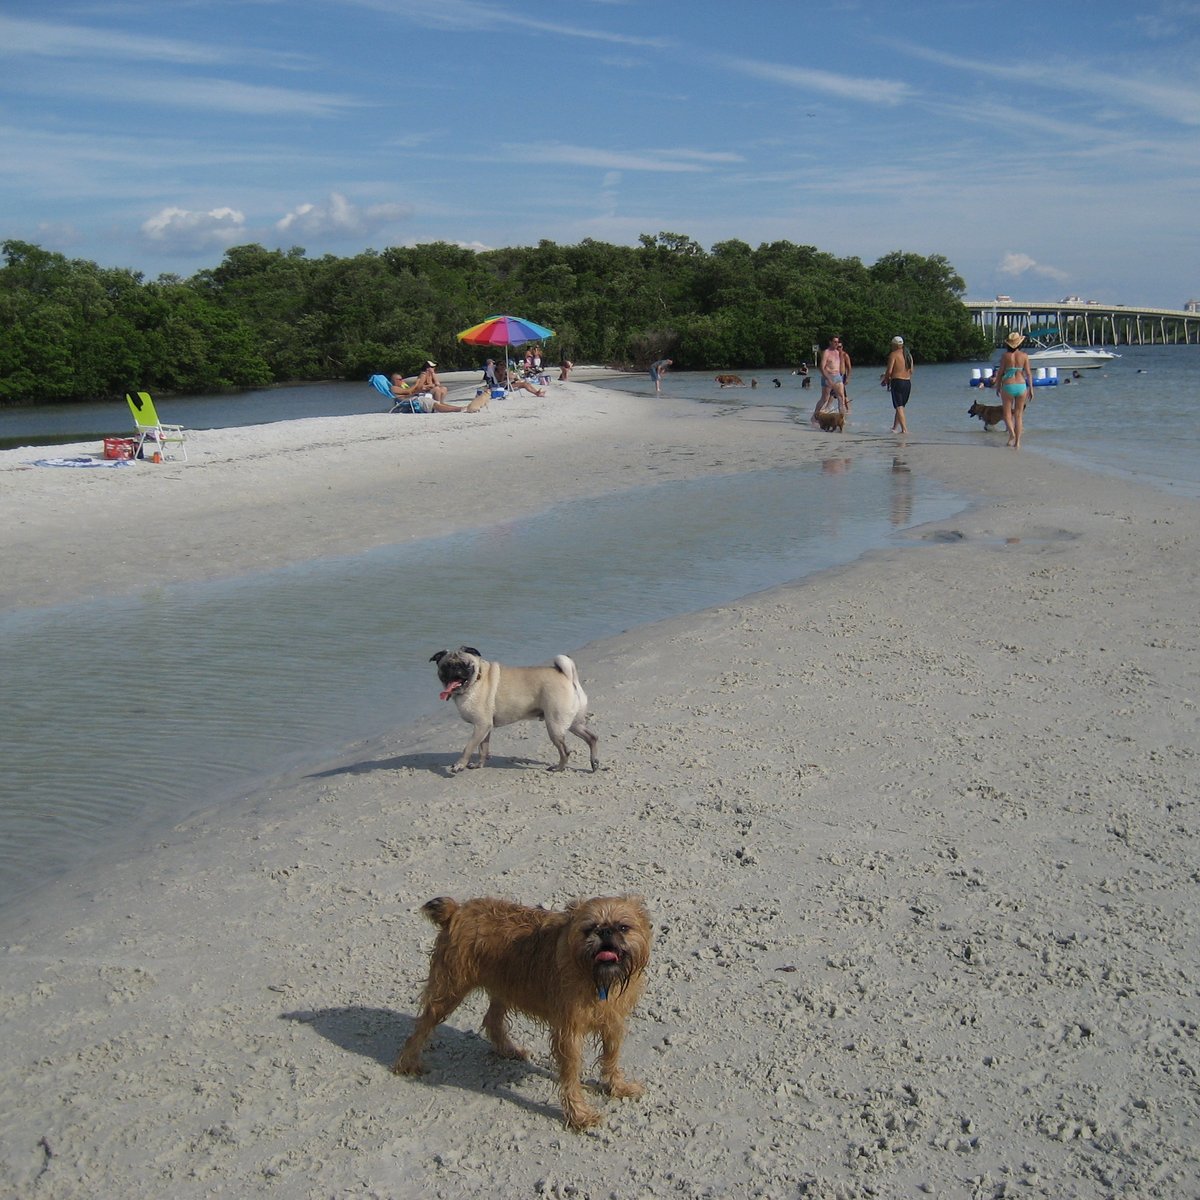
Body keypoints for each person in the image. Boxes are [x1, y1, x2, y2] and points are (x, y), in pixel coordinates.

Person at [995, 331, 1032, 448]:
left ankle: (1011, 434)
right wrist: (1031, 388)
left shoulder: (1005, 356)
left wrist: (997, 386)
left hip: (1008, 385)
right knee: (1019, 415)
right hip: (1021, 385)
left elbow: (1000, 372)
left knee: (1007, 414)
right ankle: (1018, 443)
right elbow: (1029, 374)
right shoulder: (1024, 356)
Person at [392, 369, 486, 413]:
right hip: (410, 401)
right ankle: (459, 409)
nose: (402, 380)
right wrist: (417, 383)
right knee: (435, 404)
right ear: (395, 381)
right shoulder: (393, 388)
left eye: (402, 379)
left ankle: (462, 408)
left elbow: (411, 391)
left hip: (414, 398)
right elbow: (409, 392)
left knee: (438, 403)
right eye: (400, 379)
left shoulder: (402, 386)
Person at [881, 335, 914, 434]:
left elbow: (889, 371)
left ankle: (904, 429)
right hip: (907, 382)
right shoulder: (908, 355)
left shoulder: (893, 354)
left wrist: (885, 380)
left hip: (898, 382)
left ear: (895, 345)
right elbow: (912, 370)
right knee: (901, 406)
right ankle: (895, 428)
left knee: (899, 406)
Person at [813, 336, 847, 423]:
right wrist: (827, 378)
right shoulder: (826, 352)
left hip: (837, 376)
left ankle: (842, 418)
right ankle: (815, 416)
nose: (836, 344)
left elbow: (841, 368)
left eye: (837, 342)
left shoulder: (838, 353)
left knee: (841, 397)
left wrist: (843, 376)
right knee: (825, 398)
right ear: (830, 342)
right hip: (828, 375)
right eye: (835, 342)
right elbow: (821, 367)